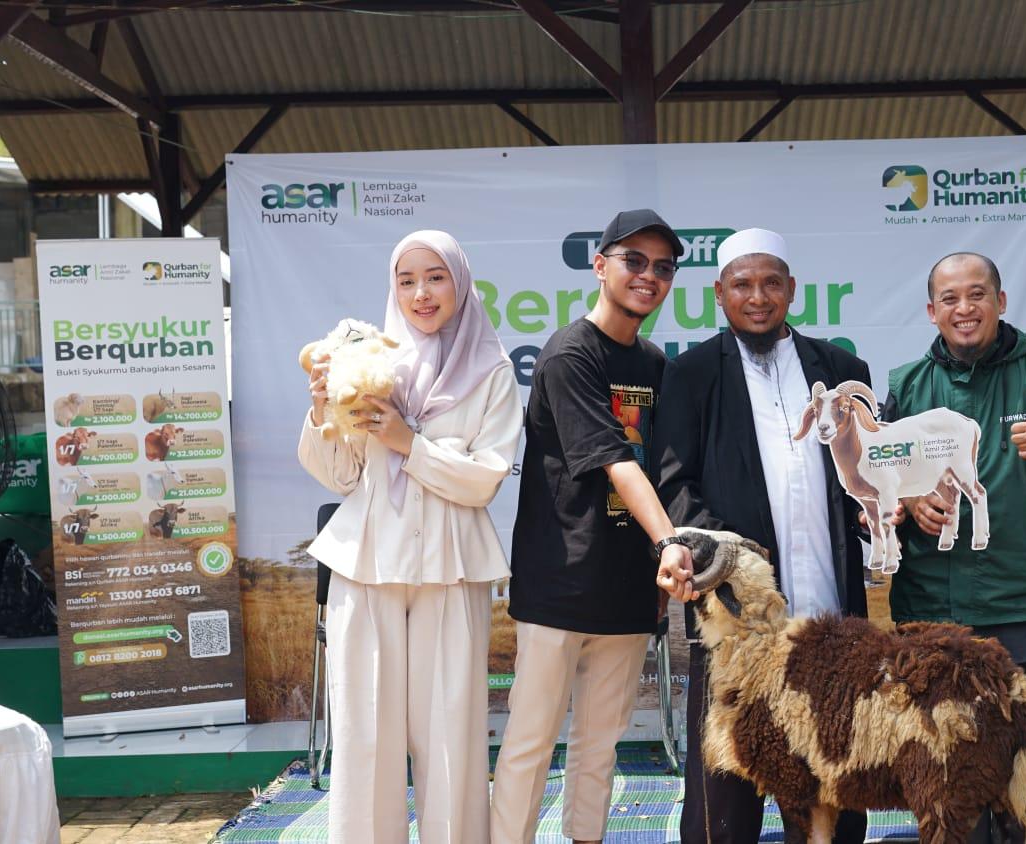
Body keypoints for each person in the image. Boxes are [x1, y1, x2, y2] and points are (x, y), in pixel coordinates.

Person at [298, 231, 523, 843]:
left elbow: (485, 479)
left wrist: (408, 443)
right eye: (406, 280)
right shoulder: (367, 361)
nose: (421, 293)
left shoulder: (494, 373)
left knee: (451, 733)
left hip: (451, 571)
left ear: (460, 281)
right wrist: (322, 413)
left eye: (435, 277)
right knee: (364, 733)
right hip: (365, 566)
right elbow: (342, 473)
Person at [881, 251, 1026, 843]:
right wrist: (909, 505)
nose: (966, 308)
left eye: (978, 294)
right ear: (932, 311)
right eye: (951, 299)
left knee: (1021, 778)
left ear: (1001, 302)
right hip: (935, 617)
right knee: (944, 777)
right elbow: (880, 493)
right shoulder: (906, 386)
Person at [652, 228, 870, 843]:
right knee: (728, 793)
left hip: (831, 618)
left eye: (770, 283)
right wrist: (735, 555)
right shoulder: (692, 375)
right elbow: (675, 485)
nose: (757, 296)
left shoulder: (844, 371)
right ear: (719, 294)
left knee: (834, 778)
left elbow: (868, 473)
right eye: (742, 285)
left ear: (791, 290)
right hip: (737, 620)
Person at [491, 209, 698, 844]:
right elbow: (615, 461)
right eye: (634, 260)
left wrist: (669, 550)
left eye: (662, 267)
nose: (649, 276)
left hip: (630, 587)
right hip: (561, 581)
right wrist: (669, 541)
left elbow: (663, 469)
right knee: (530, 741)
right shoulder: (568, 354)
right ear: (600, 265)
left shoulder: (657, 363)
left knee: (600, 744)